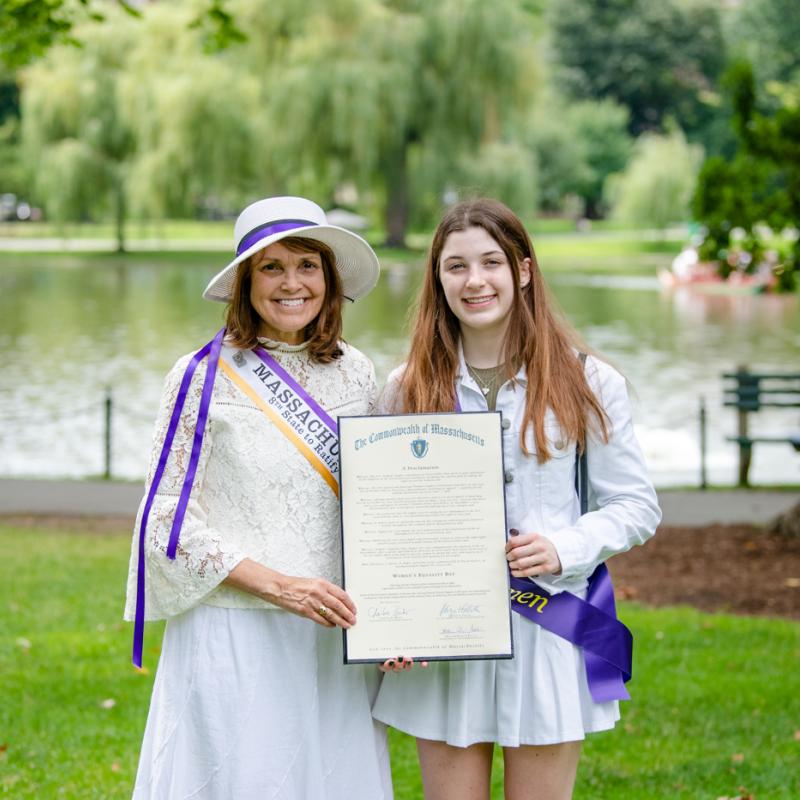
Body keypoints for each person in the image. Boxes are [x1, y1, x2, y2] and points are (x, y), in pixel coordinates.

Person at [372, 198, 661, 800]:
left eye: (490, 263)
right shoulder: (405, 388)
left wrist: (562, 547)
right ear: (438, 279)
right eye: (455, 267)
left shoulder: (588, 382)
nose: (474, 281)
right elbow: (382, 518)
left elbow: (635, 505)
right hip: (443, 636)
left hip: (547, 625)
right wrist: (389, 617)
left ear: (522, 271)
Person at [123, 196, 393, 799]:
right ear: (244, 283)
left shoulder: (359, 373)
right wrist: (281, 586)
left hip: (329, 632)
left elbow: (378, 506)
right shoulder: (200, 376)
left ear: (329, 276)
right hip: (236, 632)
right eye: (270, 267)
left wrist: (398, 616)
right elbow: (164, 521)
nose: (291, 283)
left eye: (306, 264)